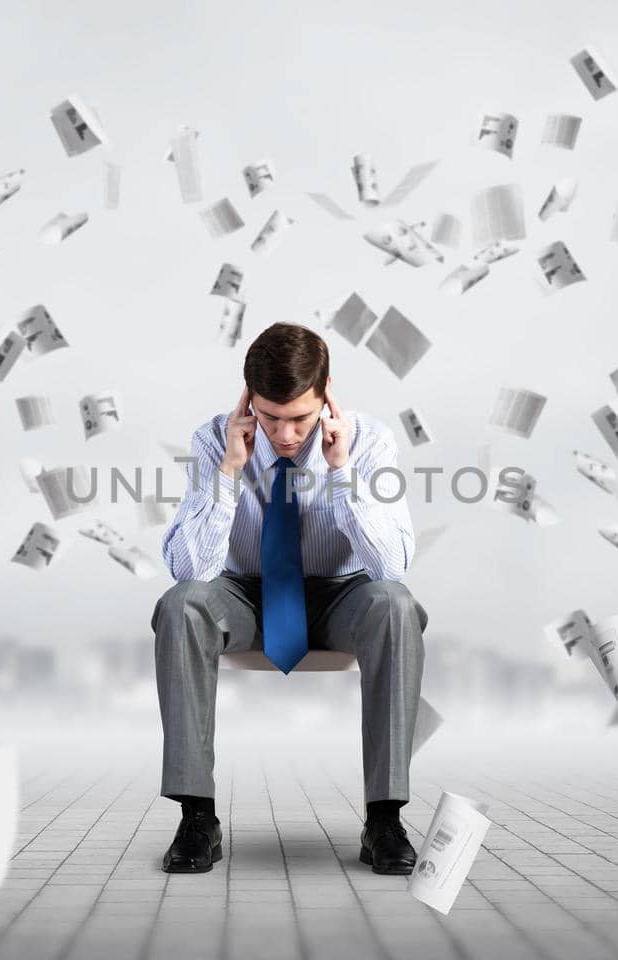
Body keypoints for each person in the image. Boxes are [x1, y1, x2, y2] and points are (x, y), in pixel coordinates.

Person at [153, 322, 426, 875]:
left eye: (299, 417)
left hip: (341, 594)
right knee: (181, 604)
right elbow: (193, 570)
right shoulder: (213, 439)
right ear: (247, 399)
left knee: (395, 605)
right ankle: (197, 817)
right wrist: (230, 470)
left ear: (327, 396)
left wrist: (341, 471)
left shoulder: (370, 440)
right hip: (244, 593)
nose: (283, 434)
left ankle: (385, 819)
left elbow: (390, 568)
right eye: (270, 416)